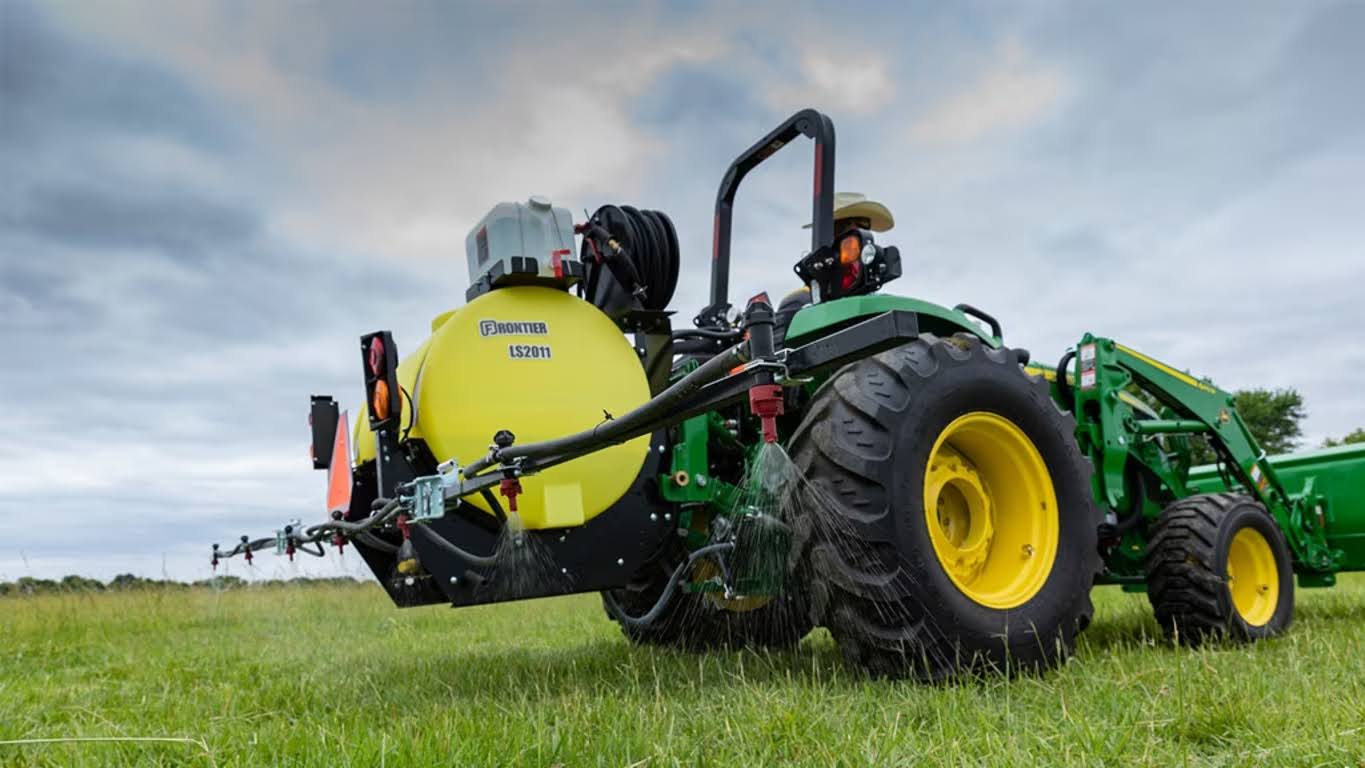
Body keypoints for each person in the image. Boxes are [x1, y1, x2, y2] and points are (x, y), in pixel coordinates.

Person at [776, 192, 895, 343]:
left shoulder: (877, 303)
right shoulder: (800, 300)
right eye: (847, 230)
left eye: (864, 228)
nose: (863, 239)